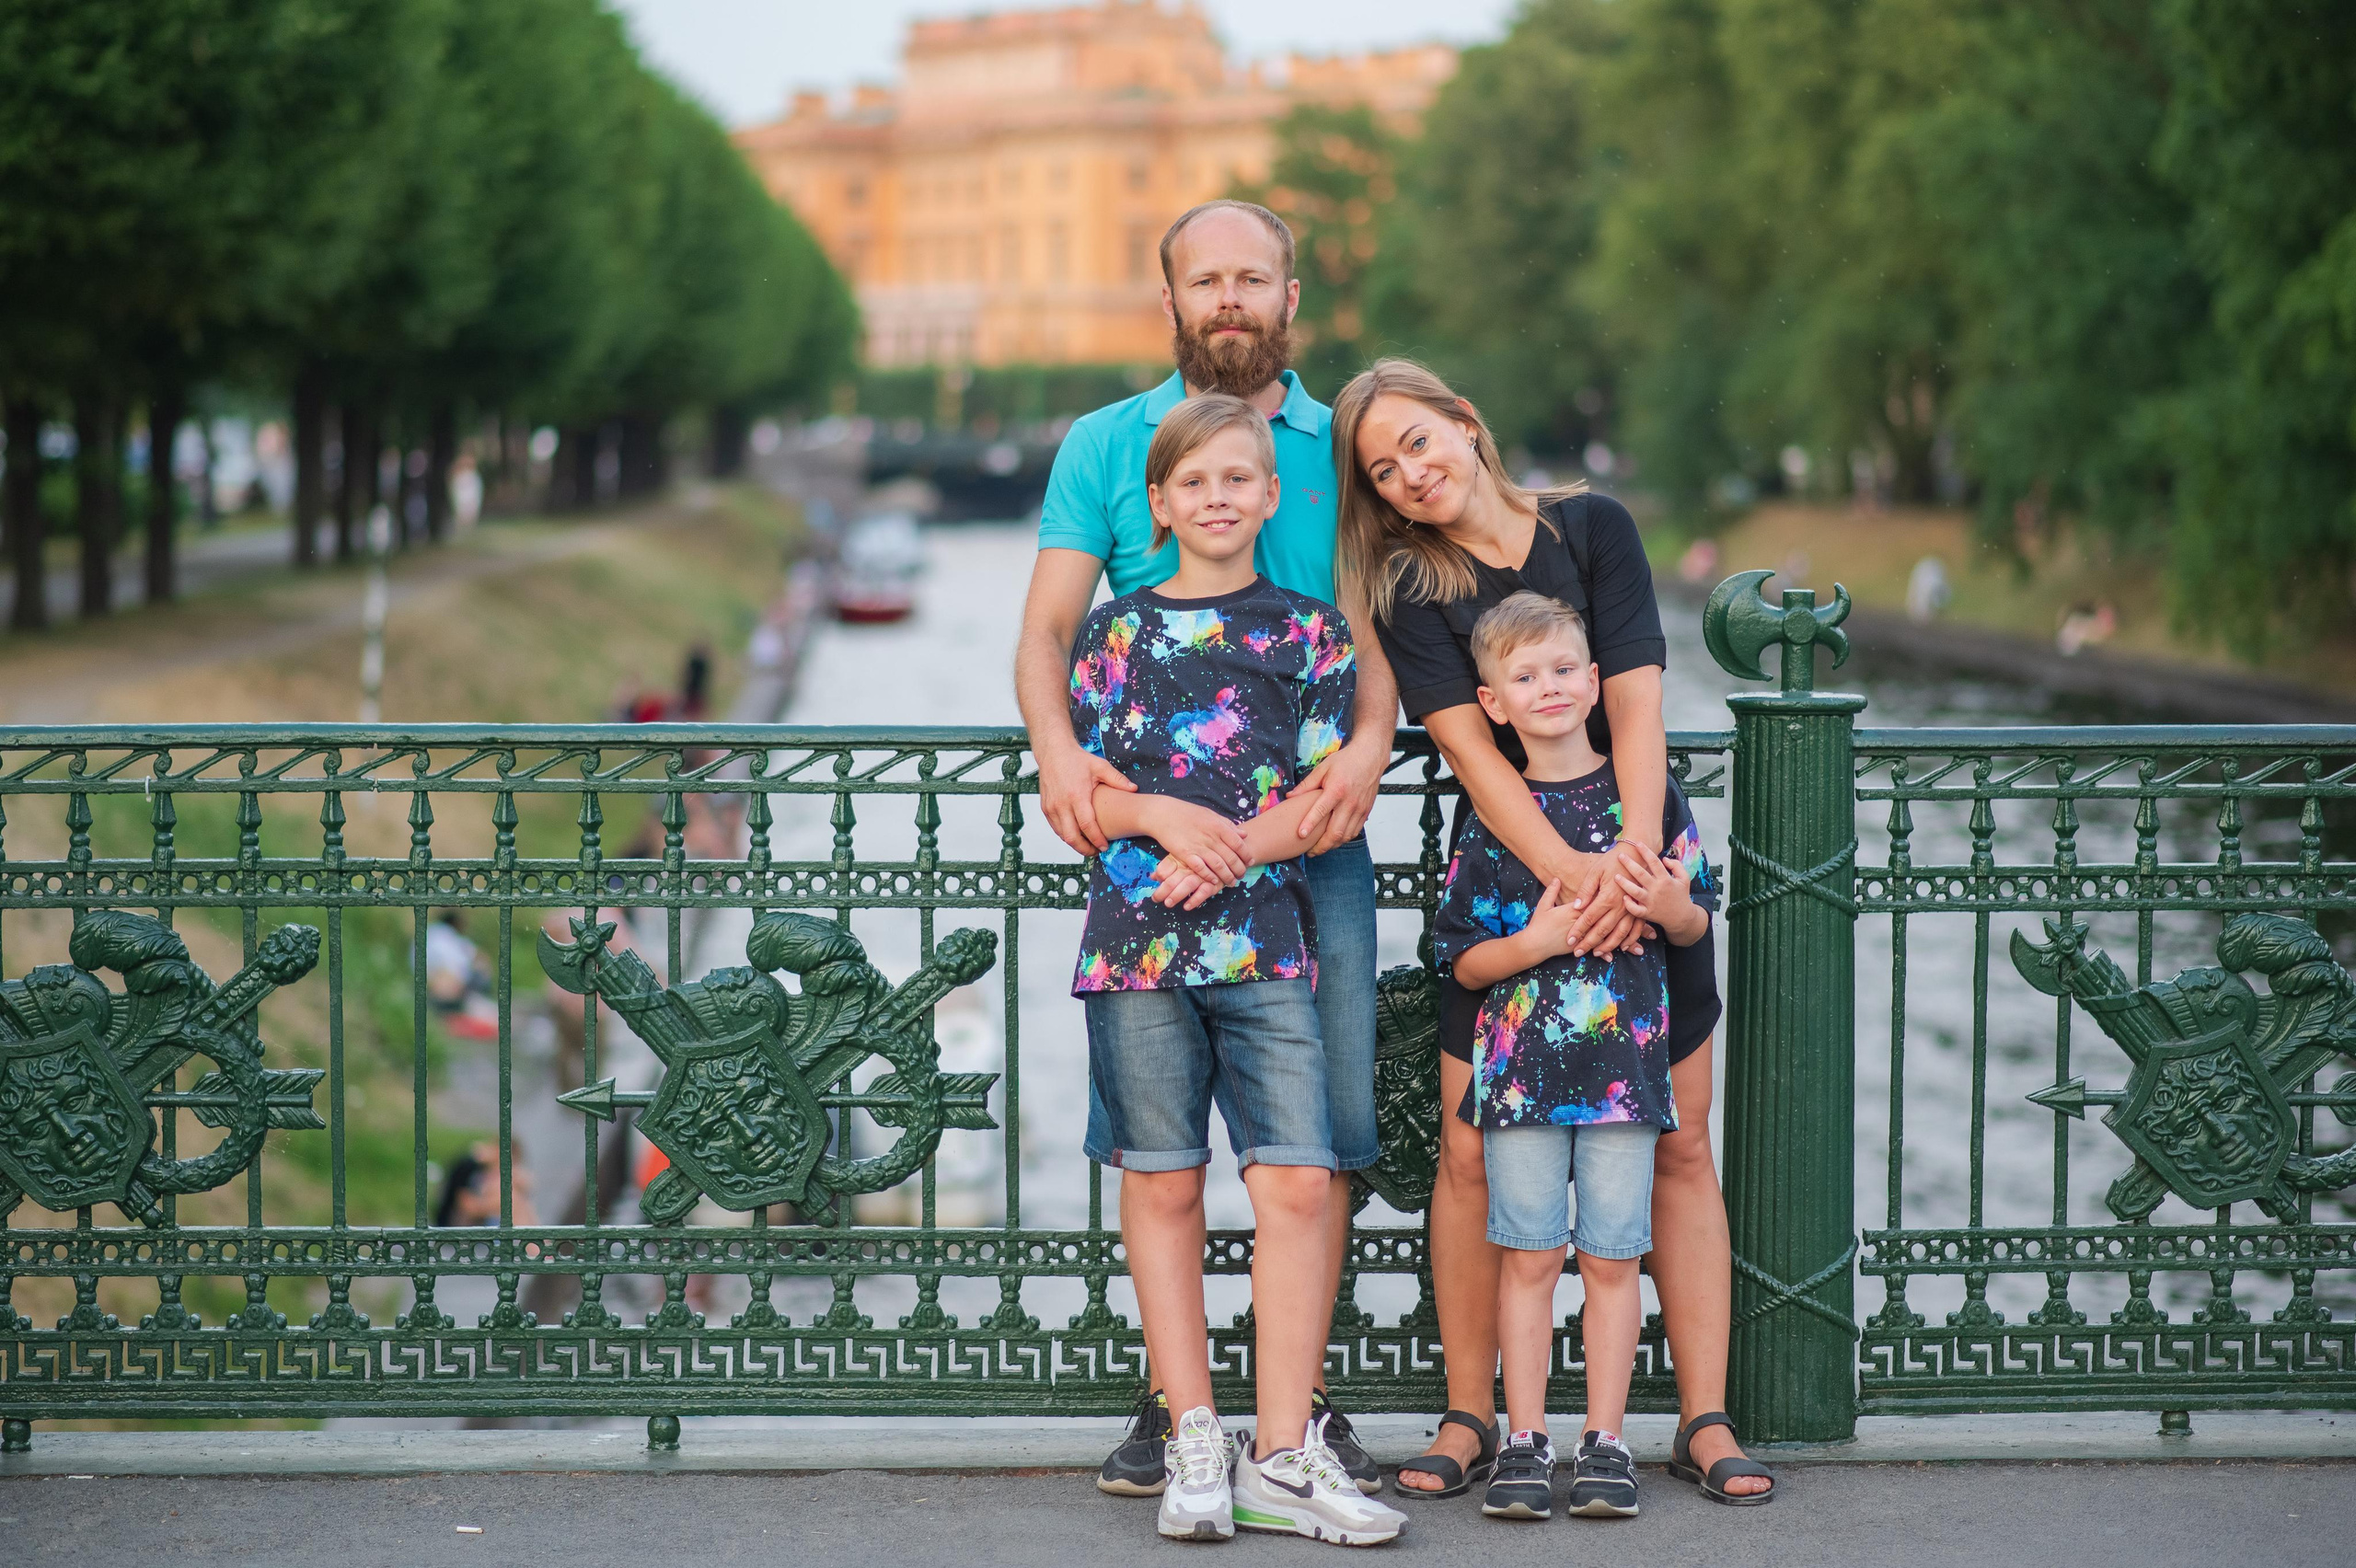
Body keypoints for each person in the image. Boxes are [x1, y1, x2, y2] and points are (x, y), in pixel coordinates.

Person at [1333, 358, 1775, 1505]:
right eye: (1383, 471)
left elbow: (1635, 699)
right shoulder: (1410, 589)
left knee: (1678, 1140)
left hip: (1637, 860)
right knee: (1469, 1153)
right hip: (1512, 883)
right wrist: (1572, 883)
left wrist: (1632, 861)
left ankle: (1702, 1417)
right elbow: (1474, 759)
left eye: (1418, 444)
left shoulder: (1593, 529)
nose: (1410, 476)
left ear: (1466, 426)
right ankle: (1477, 1418)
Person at [1014, 199, 1398, 1496]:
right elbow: (1052, 633)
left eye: (1254, 277)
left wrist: (1364, 749)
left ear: (1293, 296)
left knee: (1322, 1127)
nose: (1230, 297)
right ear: (1169, 297)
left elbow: (1371, 634)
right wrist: (1069, 765)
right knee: (1154, 1140)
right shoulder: (1104, 443)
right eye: (1206, 279)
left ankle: (1304, 1415)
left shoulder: (1342, 447)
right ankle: (1175, 1407)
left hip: (1309, 844)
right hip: (1154, 853)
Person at [1429, 594, 1716, 1521]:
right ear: (1494, 704)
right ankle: (1522, 1438)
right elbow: (1464, 957)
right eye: (1524, 677)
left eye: (1563, 670)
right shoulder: (1495, 815)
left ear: (1595, 684)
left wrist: (1664, 904)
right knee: (1525, 1256)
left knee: (1610, 1260)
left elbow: (1694, 918)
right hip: (1517, 1080)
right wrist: (1541, 939)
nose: (1548, 688)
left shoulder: (1647, 798)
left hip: (1625, 1081)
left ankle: (1604, 1439)